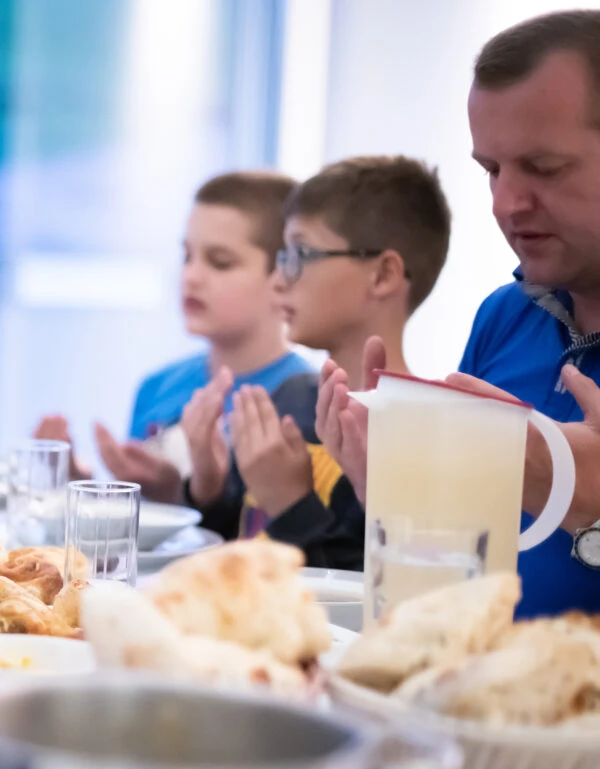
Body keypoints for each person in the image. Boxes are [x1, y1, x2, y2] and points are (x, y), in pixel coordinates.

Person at [319, 10, 600, 616]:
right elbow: (459, 585)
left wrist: (594, 513)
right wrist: (395, 500)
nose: (506, 203)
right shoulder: (504, 317)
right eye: (491, 171)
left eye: (545, 169)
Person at [225, 156, 451, 569]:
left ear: (382, 275)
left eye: (300, 254)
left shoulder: (425, 437)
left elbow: (371, 589)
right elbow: (238, 540)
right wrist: (194, 490)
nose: (278, 280)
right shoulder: (290, 399)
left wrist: (292, 504)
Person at [38, 171, 310, 502]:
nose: (190, 276)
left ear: (284, 275)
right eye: (187, 256)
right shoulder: (157, 387)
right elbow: (143, 525)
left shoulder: (305, 401)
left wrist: (182, 494)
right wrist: (78, 484)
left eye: (220, 262)